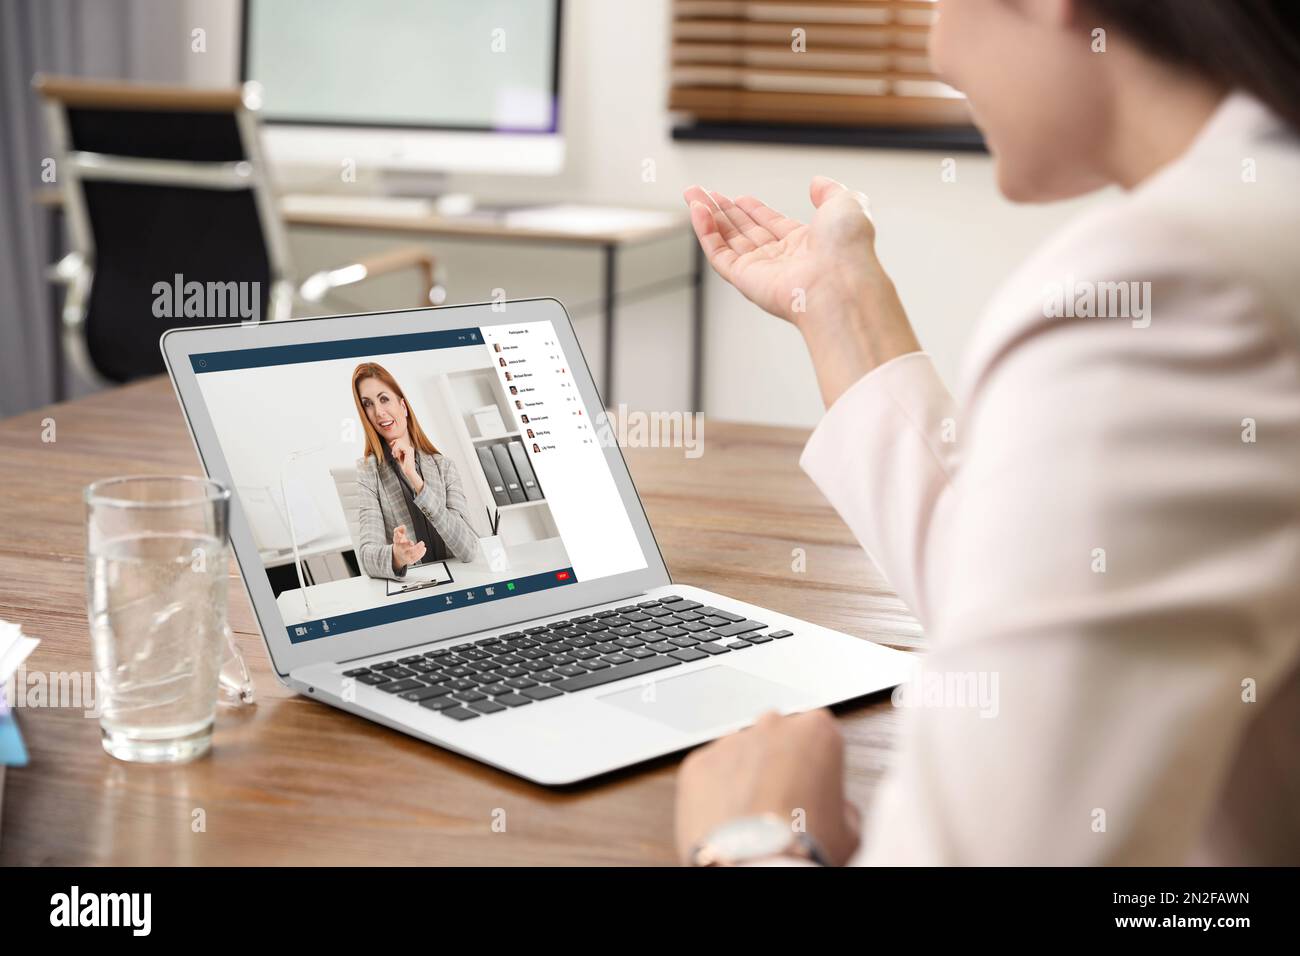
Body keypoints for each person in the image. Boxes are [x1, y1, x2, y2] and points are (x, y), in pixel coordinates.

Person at [674, 0, 1300, 866]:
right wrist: (840, 303)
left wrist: (746, 840)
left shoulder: (1171, 287)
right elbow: (1058, 596)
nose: (937, 54)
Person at [350, 362, 478, 581]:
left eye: (384, 399)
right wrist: (396, 556)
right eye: (368, 404)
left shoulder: (444, 466)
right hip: (414, 587)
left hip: (460, 582)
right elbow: (367, 555)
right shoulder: (369, 472)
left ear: (403, 406)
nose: (379, 412)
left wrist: (415, 480)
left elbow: (468, 548)